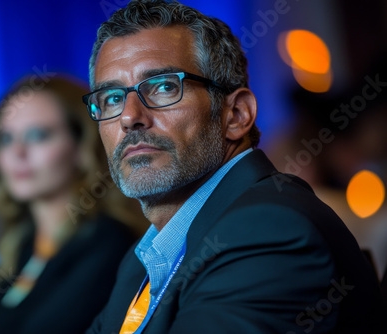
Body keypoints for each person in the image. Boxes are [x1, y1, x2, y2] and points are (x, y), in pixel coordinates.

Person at [82, 1, 386, 333]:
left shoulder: (269, 231)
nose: (128, 117)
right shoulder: (147, 256)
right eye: (111, 97)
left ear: (237, 115)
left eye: (165, 87)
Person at [0, 75, 141, 334]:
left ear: (81, 146)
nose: (17, 153)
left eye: (38, 135)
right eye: (6, 139)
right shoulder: (24, 243)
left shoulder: (107, 242)